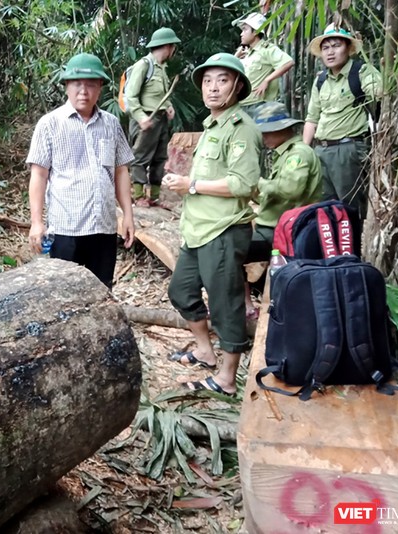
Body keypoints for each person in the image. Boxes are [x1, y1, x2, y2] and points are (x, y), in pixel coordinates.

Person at [164, 53, 262, 397]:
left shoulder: (241, 129)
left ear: (237, 86)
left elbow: (243, 184)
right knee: (180, 290)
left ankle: (226, 378)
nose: (213, 87)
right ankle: (205, 351)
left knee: (224, 302)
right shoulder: (212, 125)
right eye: (207, 81)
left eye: (222, 80)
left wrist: (190, 184)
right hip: (198, 229)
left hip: (223, 229)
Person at [26, 53, 135, 288]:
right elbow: (39, 174)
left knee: (102, 289)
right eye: (77, 84)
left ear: (100, 88)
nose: (83, 91)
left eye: (91, 84)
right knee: (64, 292)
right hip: (66, 228)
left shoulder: (111, 124)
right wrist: (37, 222)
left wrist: (127, 214)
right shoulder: (50, 124)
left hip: (103, 226)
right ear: (66, 86)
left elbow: (120, 171)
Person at [244, 101, 323, 317]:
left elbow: (290, 189)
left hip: (284, 231)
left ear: (284, 129)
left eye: (269, 132)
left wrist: (259, 183)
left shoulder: (298, 154)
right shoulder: (284, 154)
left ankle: (246, 306)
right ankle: (248, 304)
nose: (265, 137)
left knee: (231, 253)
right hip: (274, 226)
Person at [303, 24, 382, 220]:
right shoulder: (320, 80)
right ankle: (332, 250)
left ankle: (355, 249)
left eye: (336, 46)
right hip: (321, 150)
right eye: (326, 47)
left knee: (351, 208)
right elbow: (312, 118)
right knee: (323, 209)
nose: (330, 52)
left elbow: (381, 95)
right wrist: (305, 152)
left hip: (348, 149)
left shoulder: (362, 72)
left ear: (348, 48)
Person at [124, 28, 181, 207]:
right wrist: (141, 117)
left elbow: (161, 95)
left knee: (159, 157)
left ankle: (154, 196)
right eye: (173, 47)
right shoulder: (144, 65)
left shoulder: (162, 68)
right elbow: (130, 97)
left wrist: (169, 107)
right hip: (146, 119)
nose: (173, 51)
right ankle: (139, 196)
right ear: (168, 46)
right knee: (140, 157)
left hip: (161, 119)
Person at [234, 13, 295, 117]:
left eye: (245, 29)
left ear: (256, 32)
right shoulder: (246, 54)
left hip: (259, 106)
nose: (241, 34)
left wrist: (267, 80)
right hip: (241, 105)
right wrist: (236, 56)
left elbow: (289, 62)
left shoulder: (267, 49)